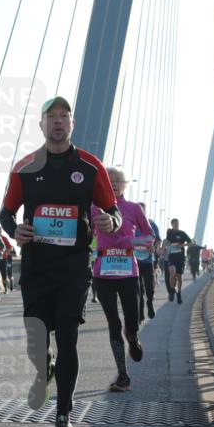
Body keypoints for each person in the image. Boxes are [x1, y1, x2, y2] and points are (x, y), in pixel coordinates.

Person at [0, 96, 121, 427]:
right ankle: (45, 368)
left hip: (73, 267)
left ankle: (63, 418)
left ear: (72, 123)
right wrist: (15, 230)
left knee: (68, 338)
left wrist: (110, 221)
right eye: (51, 116)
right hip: (36, 266)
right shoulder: (25, 167)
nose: (57, 122)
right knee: (36, 341)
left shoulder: (91, 166)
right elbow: (6, 213)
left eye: (63, 116)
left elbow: (113, 211)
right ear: (41, 124)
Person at [92, 168, 154, 392]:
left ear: (125, 184)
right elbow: (84, 235)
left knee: (131, 320)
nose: (114, 184)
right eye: (109, 181)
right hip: (103, 273)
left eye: (118, 180)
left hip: (128, 271)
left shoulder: (134, 208)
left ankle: (133, 338)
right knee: (113, 323)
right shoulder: (93, 208)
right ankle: (123, 376)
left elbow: (149, 236)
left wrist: (131, 242)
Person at [135, 202, 161, 322]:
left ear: (145, 212)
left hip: (148, 261)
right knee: (139, 290)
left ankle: (150, 303)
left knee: (149, 287)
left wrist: (155, 248)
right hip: (135, 262)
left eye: (142, 210)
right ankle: (140, 314)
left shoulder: (152, 224)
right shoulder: (131, 224)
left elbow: (158, 240)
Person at [165, 218, 194, 304]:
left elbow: (191, 242)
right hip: (172, 256)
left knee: (179, 277)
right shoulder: (169, 233)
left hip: (180, 257)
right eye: (175, 224)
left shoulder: (182, 233)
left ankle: (179, 293)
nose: (176, 225)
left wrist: (182, 245)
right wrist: (168, 244)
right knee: (172, 273)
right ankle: (172, 291)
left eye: (177, 224)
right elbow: (167, 242)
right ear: (172, 224)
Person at [0, 223, 15, 297]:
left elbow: (10, 247)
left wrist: (5, 252)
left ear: (1, 231)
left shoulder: (4, 238)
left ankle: (6, 288)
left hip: (3, 259)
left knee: (4, 276)